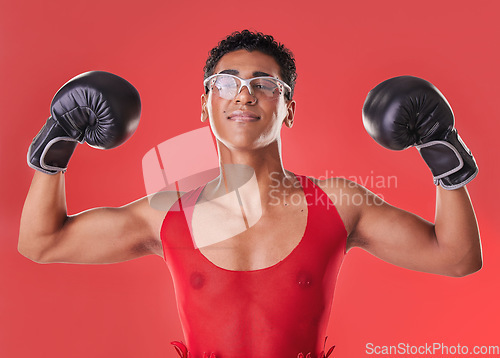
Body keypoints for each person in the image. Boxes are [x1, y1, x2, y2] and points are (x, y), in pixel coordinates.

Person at [18, 30, 482, 358]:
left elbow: (457, 257)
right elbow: (42, 242)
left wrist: (443, 154)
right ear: (206, 104)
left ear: (289, 108)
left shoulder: (339, 204)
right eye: (226, 83)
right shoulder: (166, 214)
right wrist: (55, 145)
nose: (244, 95)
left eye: (263, 84)